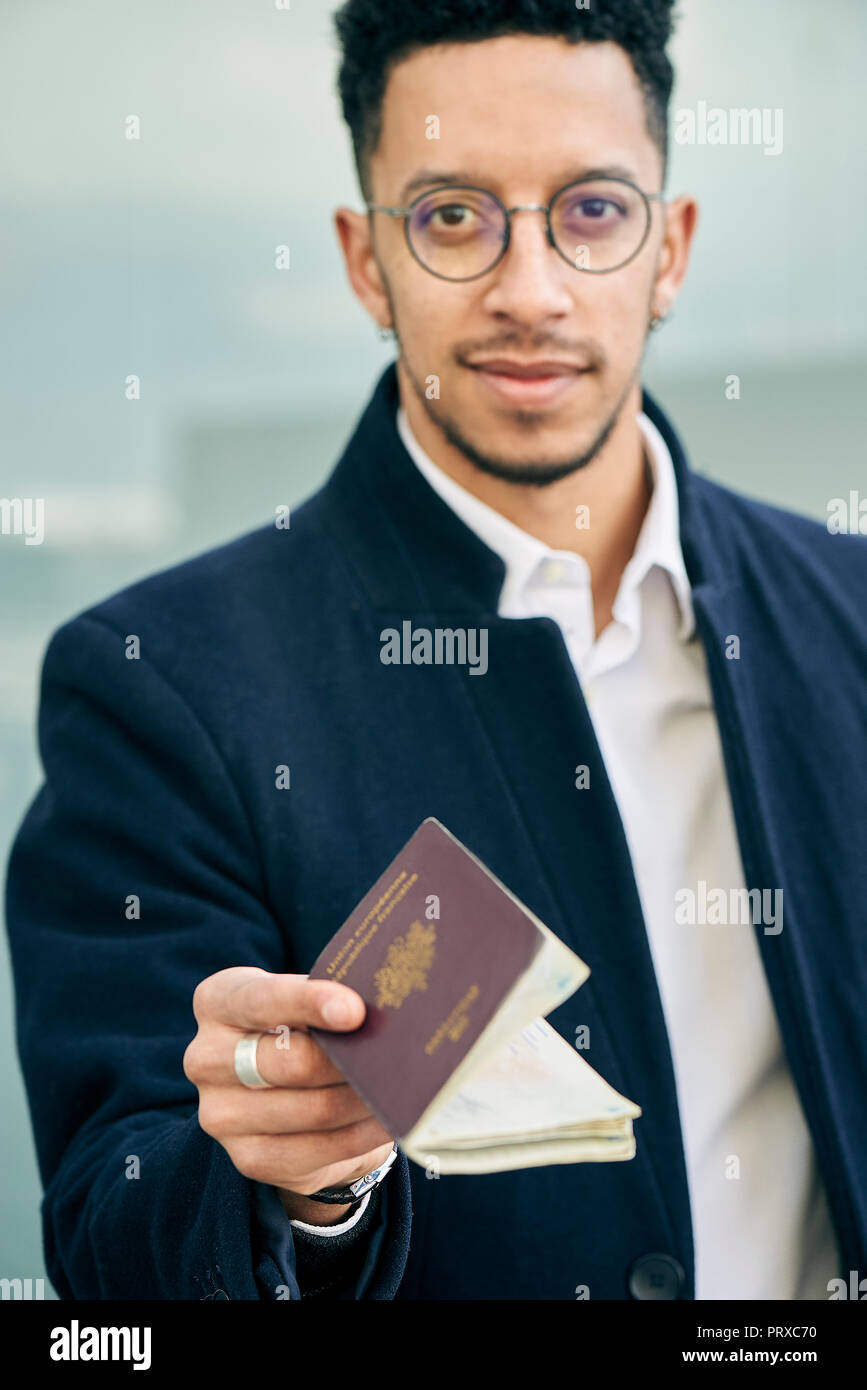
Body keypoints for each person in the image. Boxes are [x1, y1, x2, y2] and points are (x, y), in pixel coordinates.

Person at [6, 0, 866, 1301]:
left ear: (670, 248)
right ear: (367, 262)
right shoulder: (155, 683)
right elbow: (110, 1259)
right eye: (453, 216)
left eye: (591, 211)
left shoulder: (853, 615)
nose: (530, 291)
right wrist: (302, 1183)